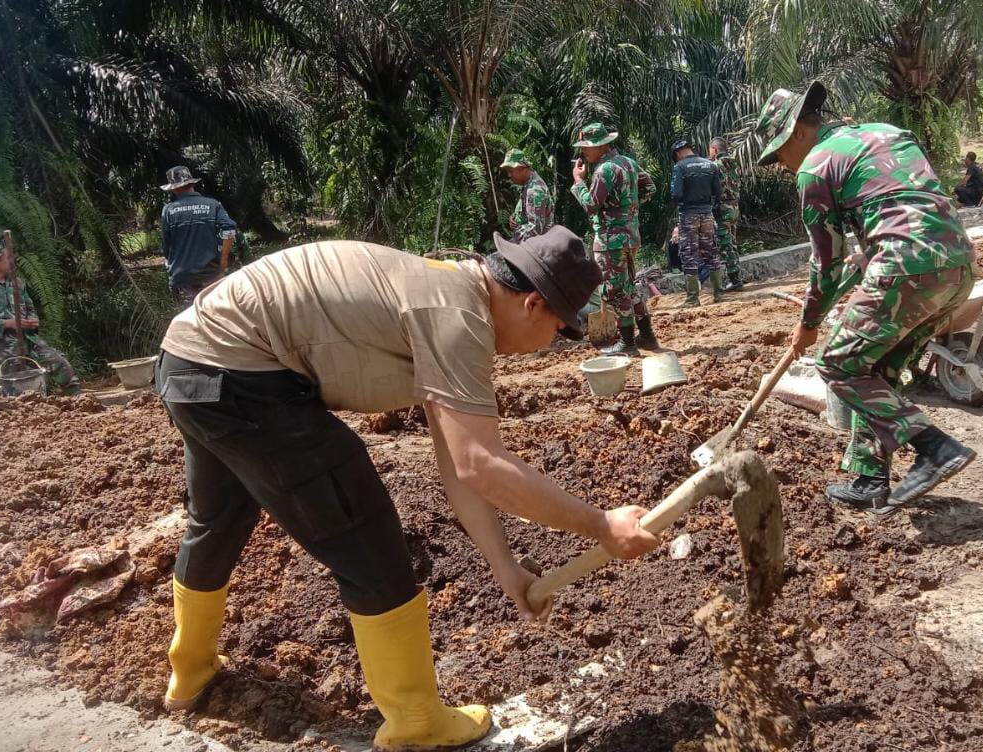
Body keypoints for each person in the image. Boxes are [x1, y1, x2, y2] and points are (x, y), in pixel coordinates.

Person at [154, 226, 660, 750]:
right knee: (368, 540)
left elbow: (457, 466)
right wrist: (600, 525)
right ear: (533, 304)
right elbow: (481, 464)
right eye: (559, 329)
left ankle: (189, 669)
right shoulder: (460, 319)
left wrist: (503, 566)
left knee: (218, 520)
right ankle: (417, 722)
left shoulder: (449, 291)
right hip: (242, 375)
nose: (548, 344)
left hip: (191, 363)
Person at [754, 82, 978, 514]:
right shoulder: (885, 132)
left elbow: (826, 263)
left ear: (799, 130)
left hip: (905, 263)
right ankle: (869, 476)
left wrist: (808, 324)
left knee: (837, 363)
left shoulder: (815, 168)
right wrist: (866, 257)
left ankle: (934, 447)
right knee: (873, 367)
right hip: (959, 264)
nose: (782, 164)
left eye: (780, 150)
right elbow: (901, 207)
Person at [571, 123, 659, 355]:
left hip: (612, 240)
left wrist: (578, 182)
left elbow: (590, 205)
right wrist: (630, 207)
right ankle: (647, 336)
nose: (584, 152)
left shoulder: (605, 170)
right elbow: (649, 186)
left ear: (602, 145)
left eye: (588, 147)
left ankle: (627, 343)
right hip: (631, 236)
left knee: (613, 292)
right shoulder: (628, 162)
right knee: (628, 289)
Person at [0, 240, 80, 395]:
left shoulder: (17, 283)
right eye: (7, 258)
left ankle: (78, 401)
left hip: (29, 339)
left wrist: (33, 320)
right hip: (3, 348)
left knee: (60, 363)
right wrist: (7, 323)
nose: (12, 261)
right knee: (20, 388)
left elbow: (29, 307)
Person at [160, 166, 238, 308]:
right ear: (193, 184)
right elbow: (230, 230)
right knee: (220, 315)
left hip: (183, 278)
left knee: (193, 321)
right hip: (212, 274)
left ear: (174, 188)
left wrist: (172, 268)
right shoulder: (212, 205)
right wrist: (224, 262)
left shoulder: (168, 210)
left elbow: (166, 246)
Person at [669, 140, 724, 307]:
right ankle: (719, 293)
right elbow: (718, 191)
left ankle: (693, 298)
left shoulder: (680, 167)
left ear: (677, 154)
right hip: (707, 214)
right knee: (711, 252)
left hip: (688, 215)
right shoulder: (710, 165)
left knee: (689, 254)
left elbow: (676, 194)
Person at [710, 137, 745, 292]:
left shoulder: (715, 166)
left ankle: (735, 279)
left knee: (725, 244)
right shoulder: (736, 163)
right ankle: (736, 276)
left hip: (723, 208)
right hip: (734, 206)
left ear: (715, 149)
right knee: (732, 241)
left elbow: (713, 188)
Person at [500, 149, 554, 241]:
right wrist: (516, 218)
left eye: (511, 171)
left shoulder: (535, 191)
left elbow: (535, 230)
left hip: (536, 247)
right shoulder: (528, 184)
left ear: (522, 168)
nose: (509, 175)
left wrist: (511, 244)